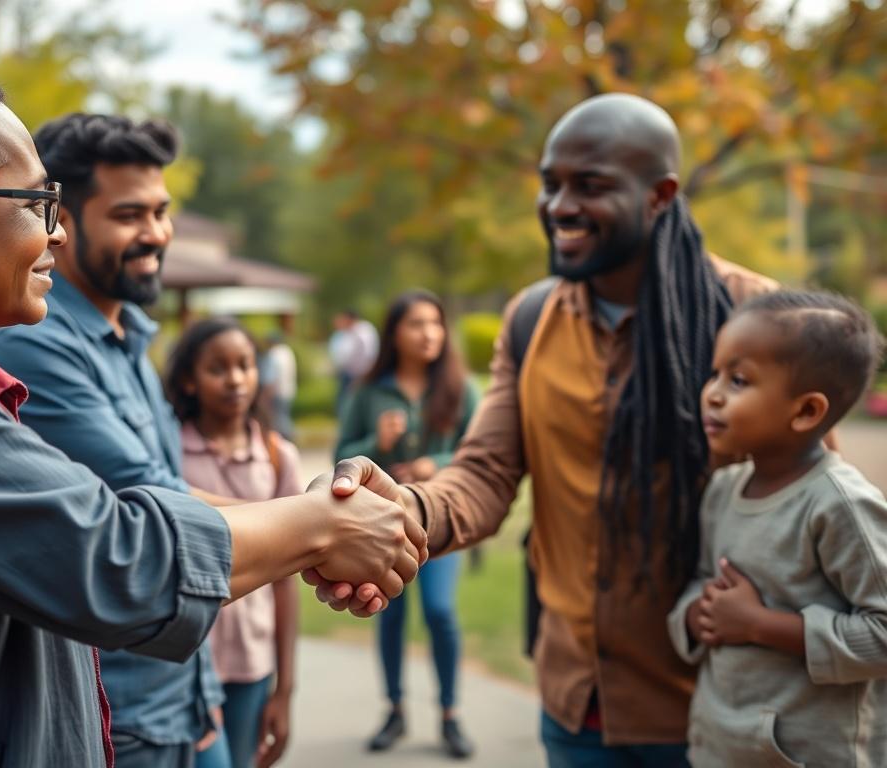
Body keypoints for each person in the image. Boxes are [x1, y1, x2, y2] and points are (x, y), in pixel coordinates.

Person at [0, 62, 424, 768]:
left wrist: (316, 519)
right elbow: (110, 549)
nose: (55, 235)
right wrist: (322, 524)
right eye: (37, 205)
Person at [320, 93, 780, 767]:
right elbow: (484, 474)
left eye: (590, 186)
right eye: (551, 183)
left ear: (660, 194)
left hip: (715, 707)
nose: (559, 206)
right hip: (575, 707)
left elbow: (807, 500)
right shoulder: (531, 319)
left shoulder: (753, 318)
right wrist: (401, 508)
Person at [0, 112, 233, 768]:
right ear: (60, 223)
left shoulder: (130, 338)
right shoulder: (34, 346)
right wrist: (324, 523)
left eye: (161, 211)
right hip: (119, 717)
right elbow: (163, 510)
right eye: (128, 215)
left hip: (180, 698)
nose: (155, 234)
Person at [667, 290, 887, 767]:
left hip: (806, 755)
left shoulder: (838, 503)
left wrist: (760, 625)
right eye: (715, 373)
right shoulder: (723, 489)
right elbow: (703, 581)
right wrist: (695, 615)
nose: (713, 393)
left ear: (806, 411)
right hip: (719, 745)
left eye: (739, 380)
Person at [335, 290, 478, 759]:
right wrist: (377, 440)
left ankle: (450, 713)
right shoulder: (368, 392)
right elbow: (342, 455)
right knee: (389, 613)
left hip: (439, 522)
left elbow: (481, 453)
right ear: (394, 332)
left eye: (435, 323)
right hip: (380, 526)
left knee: (440, 612)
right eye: (417, 323)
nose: (429, 333)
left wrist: (436, 464)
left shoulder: (461, 387)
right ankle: (395, 709)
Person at [163, 317, 301, 768]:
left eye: (244, 365)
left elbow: (286, 580)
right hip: (178, 662)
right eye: (217, 368)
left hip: (250, 664)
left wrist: (284, 688)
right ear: (188, 380)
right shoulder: (168, 452)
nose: (235, 379)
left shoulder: (278, 455)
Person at [329, 308, 379, 412]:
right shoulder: (350, 332)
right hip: (350, 373)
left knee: (351, 404)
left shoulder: (363, 331)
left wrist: (363, 375)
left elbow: (369, 355)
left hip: (360, 375)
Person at [258, 313, 298, 441]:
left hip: (277, 392)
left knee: (280, 420)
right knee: (285, 417)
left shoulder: (273, 354)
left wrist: (265, 395)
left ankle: (287, 441)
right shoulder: (287, 351)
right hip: (288, 390)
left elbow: (271, 378)